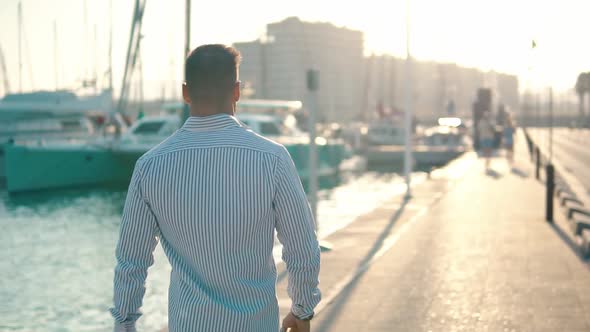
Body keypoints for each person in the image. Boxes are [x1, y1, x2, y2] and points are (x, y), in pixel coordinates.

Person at [110, 44, 321, 332]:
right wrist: (302, 310)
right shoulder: (273, 159)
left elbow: (131, 262)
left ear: (185, 92)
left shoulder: (150, 166)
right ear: (237, 91)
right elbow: (302, 249)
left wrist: (124, 324)